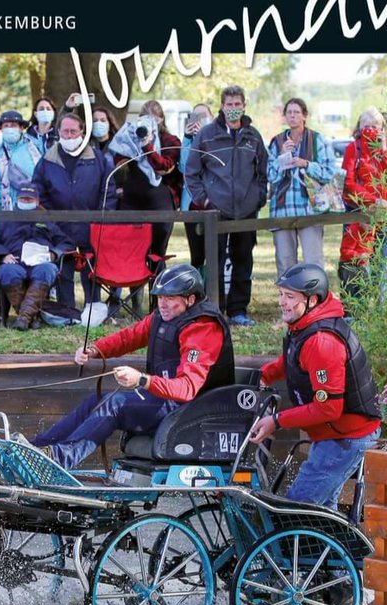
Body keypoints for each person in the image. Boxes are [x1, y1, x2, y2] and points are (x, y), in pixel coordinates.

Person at [29, 264, 235, 470]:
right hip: (165, 401)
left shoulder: (203, 329)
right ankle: (36, 449)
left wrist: (142, 380)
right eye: (160, 297)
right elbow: (129, 337)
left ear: (190, 299)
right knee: (96, 400)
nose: (162, 304)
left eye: (170, 298)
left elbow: (187, 388)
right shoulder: (163, 317)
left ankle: (58, 461)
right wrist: (95, 349)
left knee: (115, 404)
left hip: (191, 412)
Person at [250, 263, 381, 509]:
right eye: (281, 294)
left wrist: (276, 421)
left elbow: (328, 408)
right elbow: (292, 360)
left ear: (312, 300)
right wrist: (261, 376)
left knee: (297, 510)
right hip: (334, 434)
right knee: (321, 516)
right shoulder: (306, 327)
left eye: (290, 297)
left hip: (346, 437)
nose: (282, 302)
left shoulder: (322, 343)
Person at [184, 85, 268, 326]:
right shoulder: (207, 135)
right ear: (222, 106)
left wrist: (258, 197)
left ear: (244, 106)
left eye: (237, 104)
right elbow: (191, 172)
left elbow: (263, 171)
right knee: (215, 261)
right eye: (229, 104)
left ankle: (239, 310)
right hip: (215, 211)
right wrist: (204, 200)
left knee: (243, 259)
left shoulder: (253, 136)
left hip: (246, 210)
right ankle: (215, 309)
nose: (233, 108)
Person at [33, 111, 116, 308]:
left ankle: (93, 308)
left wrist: (101, 219)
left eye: (73, 131)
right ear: (59, 132)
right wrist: (51, 221)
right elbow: (38, 193)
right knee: (64, 272)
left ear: (82, 132)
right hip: (59, 228)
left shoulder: (97, 158)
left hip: (91, 227)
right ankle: (67, 311)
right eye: (65, 131)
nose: (69, 136)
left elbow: (108, 190)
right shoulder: (47, 160)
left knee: (91, 272)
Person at [109, 106, 180, 318]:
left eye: (155, 116)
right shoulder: (131, 136)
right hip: (132, 201)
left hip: (160, 202)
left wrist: (148, 144)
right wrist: (131, 147)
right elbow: (119, 164)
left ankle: (158, 305)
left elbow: (165, 166)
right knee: (134, 253)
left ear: (162, 118)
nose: (150, 121)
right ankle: (136, 304)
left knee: (157, 255)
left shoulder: (170, 140)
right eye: (145, 117)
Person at [0, 182, 72, 330]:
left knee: (47, 270)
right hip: (14, 261)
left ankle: (24, 319)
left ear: (37, 201)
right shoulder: (5, 220)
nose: (26, 201)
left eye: (29, 199)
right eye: (23, 199)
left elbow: (66, 242)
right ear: (17, 199)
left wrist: (54, 254)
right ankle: (30, 318)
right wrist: (3, 255)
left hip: (41, 262)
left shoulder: (46, 221)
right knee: (7, 272)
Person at [267, 98, 336, 274]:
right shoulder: (277, 142)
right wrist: (282, 156)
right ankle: (288, 293)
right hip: (282, 209)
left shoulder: (318, 139)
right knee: (285, 262)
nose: (292, 116)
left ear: (304, 116)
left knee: (313, 261)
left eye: (296, 112)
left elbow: (329, 172)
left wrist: (307, 164)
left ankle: (316, 292)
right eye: (289, 112)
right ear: (285, 116)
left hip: (310, 209)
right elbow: (270, 176)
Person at [338, 108, 387, 297]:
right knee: (356, 260)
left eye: (375, 126)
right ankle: (358, 303)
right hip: (358, 212)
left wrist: (383, 150)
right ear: (359, 127)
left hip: (383, 215)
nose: (371, 129)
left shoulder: (383, 149)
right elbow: (349, 183)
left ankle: (380, 304)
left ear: (382, 128)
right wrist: (374, 200)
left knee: (381, 262)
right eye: (367, 125)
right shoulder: (353, 149)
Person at [179, 103, 215, 269]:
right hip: (192, 204)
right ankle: (198, 283)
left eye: (203, 116)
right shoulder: (188, 141)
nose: (199, 120)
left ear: (211, 118)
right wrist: (188, 138)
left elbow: (213, 164)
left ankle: (213, 284)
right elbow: (184, 167)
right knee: (197, 255)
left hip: (213, 203)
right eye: (195, 117)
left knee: (214, 252)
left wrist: (203, 137)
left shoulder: (216, 139)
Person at [0, 110, 42, 210]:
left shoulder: (35, 149)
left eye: (13, 125)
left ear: (21, 128)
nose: (9, 129)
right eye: (6, 126)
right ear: (1, 129)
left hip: (28, 208)